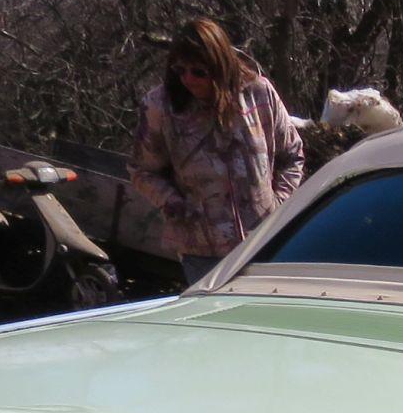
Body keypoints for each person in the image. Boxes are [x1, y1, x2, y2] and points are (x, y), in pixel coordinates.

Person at [131, 19, 306, 285]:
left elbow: (292, 154)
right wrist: (174, 202)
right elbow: (142, 170)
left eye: (199, 71)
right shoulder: (159, 106)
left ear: (220, 65)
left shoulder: (258, 93)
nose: (188, 79)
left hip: (264, 243)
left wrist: (279, 206)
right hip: (201, 251)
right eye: (180, 70)